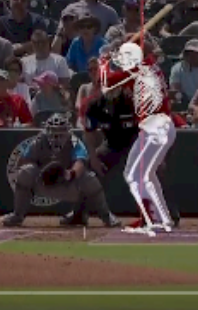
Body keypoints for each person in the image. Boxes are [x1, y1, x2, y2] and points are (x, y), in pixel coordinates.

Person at [65, 42, 176, 231]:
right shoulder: (148, 64)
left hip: (144, 133)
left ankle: (157, 217)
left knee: (143, 172)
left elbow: (110, 77)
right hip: (130, 137)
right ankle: (79, 213)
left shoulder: (136, 78)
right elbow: (89, 134)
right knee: (136, 173)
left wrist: (105, 59)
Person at [1, 112, 120, 227]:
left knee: (89, 178)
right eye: (53, 131)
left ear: (68, 132)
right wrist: (43, 172)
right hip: (43, 183)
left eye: (61, 132)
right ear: (47, 130)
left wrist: (69, 174)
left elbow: (81, 162)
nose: (56, 136)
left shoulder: (74, 142)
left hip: (67, 184)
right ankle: (17, 216)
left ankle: (102, 216)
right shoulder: (39, 141)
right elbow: (24, 161)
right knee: (25, 171)